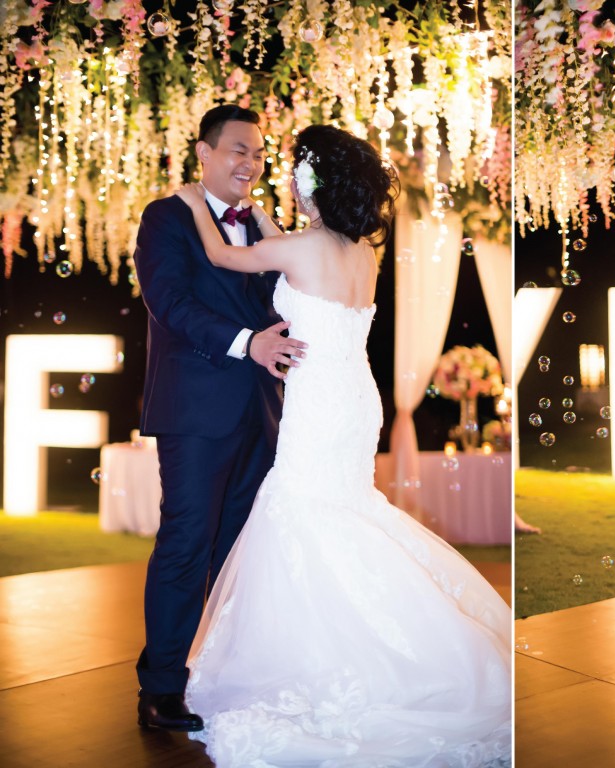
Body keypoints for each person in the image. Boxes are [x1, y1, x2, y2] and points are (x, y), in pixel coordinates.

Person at [173, 124, 511, 767]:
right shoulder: (360, 254)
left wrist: (194, 201)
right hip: (357, 397)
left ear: (314, 185)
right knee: (344, 510)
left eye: (296, 174)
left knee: (304, 511)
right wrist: (266, 216)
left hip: (320, 402)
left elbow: (221, 255)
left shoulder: (300, 247)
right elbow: (291, 249)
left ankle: (329, 655)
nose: (289, 183)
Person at [134, 105, 308, 732]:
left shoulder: (261, 227)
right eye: (239, 150)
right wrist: (247, 342)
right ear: (204, 153)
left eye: (259, 154)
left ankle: (228, 677)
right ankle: (161, 687)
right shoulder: (166, 218)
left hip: (262, 413)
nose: (251, 164)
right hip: (195, 412)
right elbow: (170, 303)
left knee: (242, 551)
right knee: (186, 544)